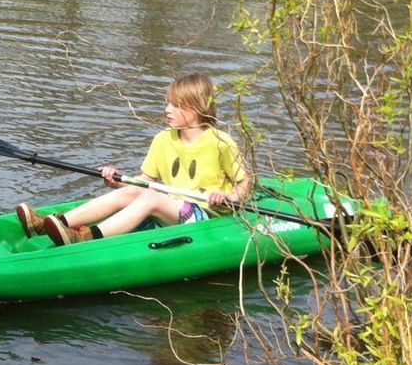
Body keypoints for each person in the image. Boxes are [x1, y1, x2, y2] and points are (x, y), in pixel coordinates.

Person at [15, 74, 251, 245]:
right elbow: (144, 182)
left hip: (204, 217)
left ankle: (86, 237)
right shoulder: (162, 139)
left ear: (196, 108)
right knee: (135, 192)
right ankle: (49, 224)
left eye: (176, 105)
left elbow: (244, 183)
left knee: (150, 198)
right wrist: (116, 181)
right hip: (167, 210)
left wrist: (229, 197)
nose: (167, 109)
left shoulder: (220, 142)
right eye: (167, 103)